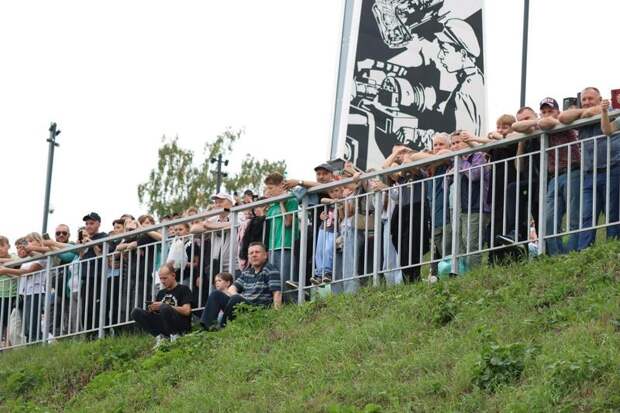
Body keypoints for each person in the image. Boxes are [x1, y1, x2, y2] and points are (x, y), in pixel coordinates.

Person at [560, 87, 620, 249]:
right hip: (589, 173)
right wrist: (584, 112)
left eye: (590, 99)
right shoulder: (581, 115)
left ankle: (612, 247)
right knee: (587, 214)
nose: (587, 102)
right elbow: (563, 117)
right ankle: (585, 250)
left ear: (600, 99)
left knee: (613, 212)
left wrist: (598, 110)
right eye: (584, 99)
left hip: (613, 168)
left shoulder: (612, 109)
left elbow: (607, 127)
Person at [535, 97, 581, 255]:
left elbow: (550, 121)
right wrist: (539, 121)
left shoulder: (564, 121)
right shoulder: (542, 124)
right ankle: (557, 255)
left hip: (572, 171)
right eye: (544, 112)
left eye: (550, 111)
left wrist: (546, 121)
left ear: (558, 111)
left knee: (574, 215)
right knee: (549, 219)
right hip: (553, 177)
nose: (547, 114)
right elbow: (517, 126)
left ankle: (574, 252)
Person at [200, 242, 281, 330]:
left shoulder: (270, 270)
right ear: (248, 257)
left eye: (257, 252)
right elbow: (232, 288)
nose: (254, 255)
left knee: (236, 299)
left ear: (265, 255)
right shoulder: (247, 272)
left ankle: (223, 328)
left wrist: (276, 317)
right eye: (251, 253)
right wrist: (239, 297)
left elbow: (277, 293)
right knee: (216, 294)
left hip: (257, 310)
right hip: (242, 306)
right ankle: (207, 327)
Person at [435, 18, 485, 137]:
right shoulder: (478, 78)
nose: (440, 55)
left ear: (463, 54)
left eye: (444, 50)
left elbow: (460, 141)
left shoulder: (463, 93)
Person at [449, 131, 490, 269]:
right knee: (461, 244)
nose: (455, 146)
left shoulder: (478, 156)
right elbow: (446, 185)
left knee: (472, 244)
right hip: (462, 207)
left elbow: (474, 175)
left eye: (458, 142)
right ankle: (464, 273)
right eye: (453, 143)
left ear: (467, 142)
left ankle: (475, 273)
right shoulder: (457, 161)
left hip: (477, 206)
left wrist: (461, 161)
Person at [131, 262, 192, 346]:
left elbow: (186, 311)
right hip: (164, 324)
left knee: (164, 307)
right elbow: (159, 313)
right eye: (161, 278)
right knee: (136, 312)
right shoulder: (161, 293)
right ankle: (160, 336)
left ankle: (175, 336)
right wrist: (153, 309)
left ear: (173, 275)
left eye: (165, 278)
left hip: (180, 325)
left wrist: (165, 306)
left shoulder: (183, 289)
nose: (162, 281)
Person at [0, 235, 46, 342]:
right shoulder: (26, 260)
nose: (24, 247)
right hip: (22, 295)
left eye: (29, 242)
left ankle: (37, 346)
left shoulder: (42, 257)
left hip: (34, 293)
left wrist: (5, 270)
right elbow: (19, 276)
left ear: (39, 242)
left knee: (32, 326)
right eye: (18, 247)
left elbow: (27, 272)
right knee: (22, 328)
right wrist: (5, 272)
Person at [264, 173, 300, 297]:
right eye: (267, 188)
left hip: (286, 245)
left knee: (286, 279)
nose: (269, 191)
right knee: (274, 281)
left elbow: (288, 223)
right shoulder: (271, 205)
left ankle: (292, 303)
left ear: (280, 186)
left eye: (271, 188)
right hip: (272, 247)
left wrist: (282, 204)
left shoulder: (291, 200)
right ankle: (279, 305)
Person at [79, 212, 108, 332]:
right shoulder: (84, 239)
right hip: (86, 277)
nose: (88, 226)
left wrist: (90, 241)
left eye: (91, 223)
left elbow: (101, 255)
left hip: (98, 276)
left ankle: (98, 333)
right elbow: (81, 256)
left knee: (97, 307)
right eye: (86, 224)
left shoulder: (103, 236)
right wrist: (81, 244)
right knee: (86, 308)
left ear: (98, 224)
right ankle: (88, 334)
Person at [0, 236, 18, 341]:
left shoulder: (14, 256)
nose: (0, 248)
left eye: (2, 245)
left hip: (12, 295)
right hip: (0, 295)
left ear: (9, 246)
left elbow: (18, 261)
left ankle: (8, 347)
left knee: (9, 323)